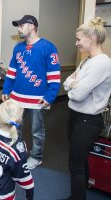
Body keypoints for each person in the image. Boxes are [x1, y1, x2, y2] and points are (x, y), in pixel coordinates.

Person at [61, 17, 111, 200]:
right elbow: (67, 83)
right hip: (75, 116)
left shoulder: (102, 63)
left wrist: (74, 86)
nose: (76, 43)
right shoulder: (86, 61)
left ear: (91, 38)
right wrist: (74, 85)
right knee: (80, 162)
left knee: (75, 166)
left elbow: (77, 94)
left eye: (79, 39)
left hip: (87, 120)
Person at [2, 15, 61, 169]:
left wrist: (50, 96)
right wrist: (6, 89)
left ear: (31, 26)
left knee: (37, 131)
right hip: (17, 98)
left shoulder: (48, 47)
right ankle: (17, 152)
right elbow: (12, 72)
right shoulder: (18, 48)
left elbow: (54, 75)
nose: (18, 29)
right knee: (15, 127)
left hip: (38, 100)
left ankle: (36, 156)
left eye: (21, 26)